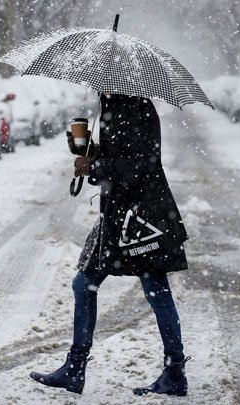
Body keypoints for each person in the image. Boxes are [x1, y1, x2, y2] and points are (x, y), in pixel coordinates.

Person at [29, 93, 190, 396]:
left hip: (141, 218)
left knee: (156, 290)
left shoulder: (135, 106)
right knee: (84, 283)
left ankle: (174, 372)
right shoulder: (113, 104)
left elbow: (143, 163)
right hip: (118, 214)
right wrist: (91, 151)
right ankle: (75, 370)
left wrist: (96, 167)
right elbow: (124, 155)